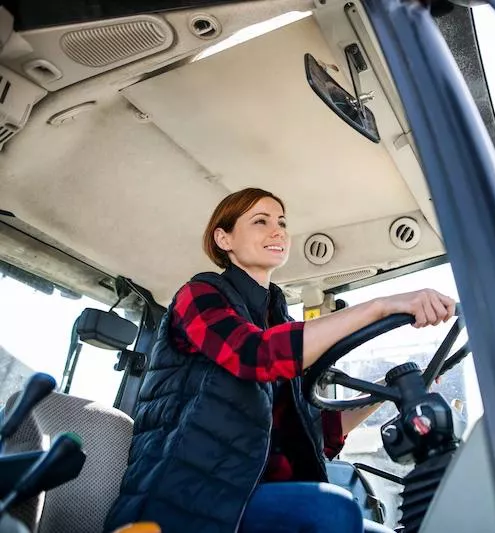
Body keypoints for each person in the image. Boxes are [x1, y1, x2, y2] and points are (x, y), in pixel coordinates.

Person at [104, 188, 455, 533]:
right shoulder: (198, 296)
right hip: (192, 497)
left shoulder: (281, 326)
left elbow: (321, 433)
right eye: (261, 221)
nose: (278, 231)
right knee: (332, 510)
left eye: (282, 222)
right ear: (224, 239)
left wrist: (391, 389)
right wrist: (380, 306)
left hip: (256, 497)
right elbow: (254, 355)